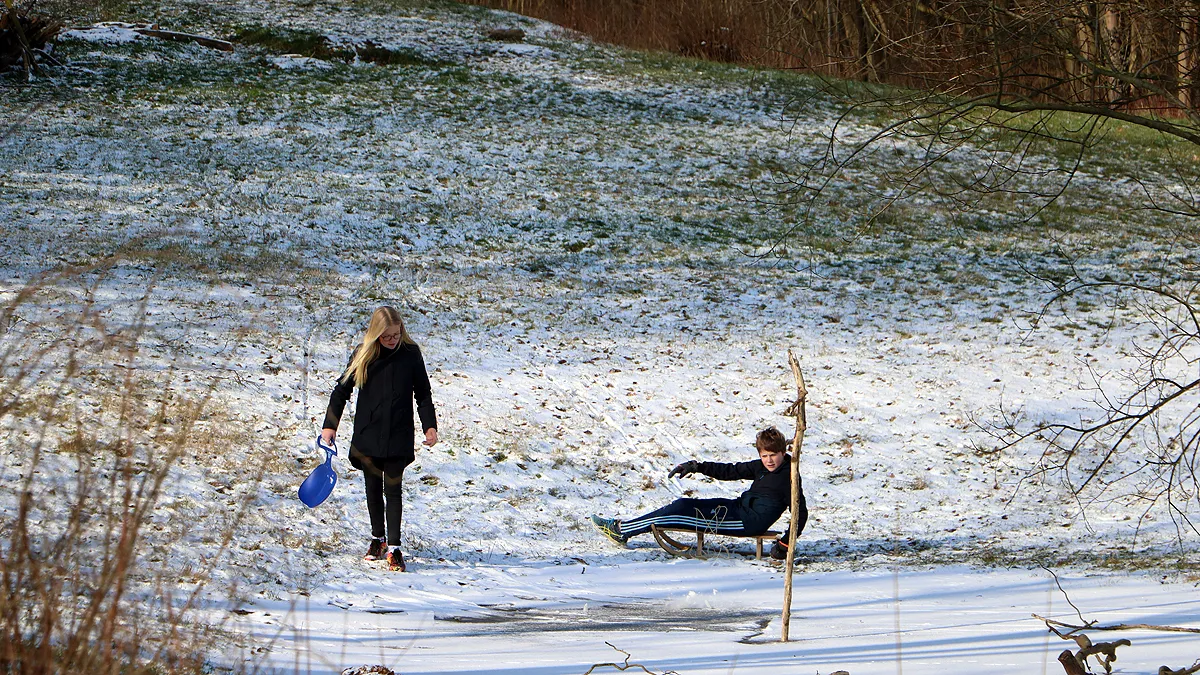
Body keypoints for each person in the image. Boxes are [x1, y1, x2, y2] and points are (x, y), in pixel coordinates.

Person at [322, 306, 438, 572]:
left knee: (393, 490)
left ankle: (394, 549)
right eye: (386, 336)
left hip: (398, 434)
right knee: (372, 489)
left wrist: (429, 426)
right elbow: (340, 392)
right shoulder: (363, 354)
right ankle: (378, 539)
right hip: (368, 434)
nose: (392, 340)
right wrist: (330, 426)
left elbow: (423, 393)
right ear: (375, 334)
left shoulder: (410, 354)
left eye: (396, 335)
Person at [591, 427, 806, 560]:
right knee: (683, 504)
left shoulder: (790, 478)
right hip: (736, 508)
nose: (769, 460)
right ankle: (623, 528)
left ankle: (622, 530)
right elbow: (729, 470)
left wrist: (785, 544)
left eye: (773, 455)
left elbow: (801, 513)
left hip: (747, 522)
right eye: (765, 455)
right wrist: (697, 466)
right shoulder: (761, 467)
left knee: (678, 514)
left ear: (783, 452)